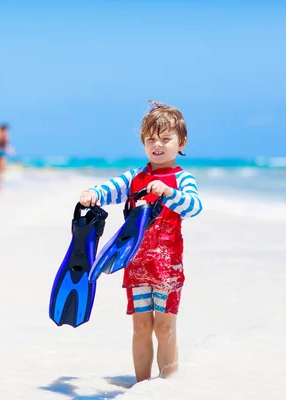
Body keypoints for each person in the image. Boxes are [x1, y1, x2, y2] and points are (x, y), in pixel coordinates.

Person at [79, 100, 203, 382]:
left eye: (165, 138)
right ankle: (142, 386)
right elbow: (109, 189)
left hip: (167, 268)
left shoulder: (182, 179)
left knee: (165, 328)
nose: (157, 144)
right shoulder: (136, 177)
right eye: (150, 139)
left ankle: (168, 386)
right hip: (136, 265)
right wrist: (92, 193)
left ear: (181, 142)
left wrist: (169, 192)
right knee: (141, 327)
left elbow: (194, 206)